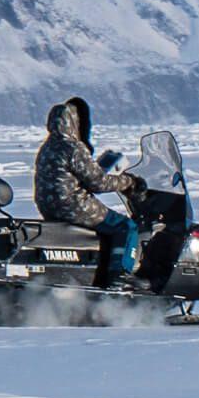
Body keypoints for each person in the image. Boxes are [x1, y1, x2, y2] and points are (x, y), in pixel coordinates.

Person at [34, 96, 145, 288]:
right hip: (71, 204)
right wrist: (128, 182)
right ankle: (119, 276)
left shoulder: (47, 147)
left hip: (49, 206)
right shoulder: (73, 147)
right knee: (126, 227)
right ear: (75, 122)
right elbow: (98, 182)